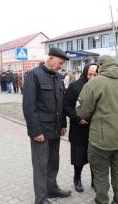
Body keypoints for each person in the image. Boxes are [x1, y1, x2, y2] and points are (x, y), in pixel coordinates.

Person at [76, 55, 118, 204]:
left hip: (101, 140)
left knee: (101, 174)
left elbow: (81, 111)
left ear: (100, 65)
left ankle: (102, 201)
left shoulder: (94, 83)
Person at [23, 47, 72, 204]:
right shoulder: (34, 75)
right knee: (41, 165)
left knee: (53, 161)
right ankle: (41, 198)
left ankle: (52, 188)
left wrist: (63, 123)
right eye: (60, 63)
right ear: (50, 59)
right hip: (41, 130)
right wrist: (35, 131)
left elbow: (62, 103)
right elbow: (29, 106)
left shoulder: (57, 78)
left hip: (55, 129)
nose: (61, 66)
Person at [64, 63, 97, 193]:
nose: (93, 77)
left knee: (95, 157)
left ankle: (95, 180)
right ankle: (77, 179)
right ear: (84, 73)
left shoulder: (100, 86)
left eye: (95, 74)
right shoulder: (74, 86)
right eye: (90, 74)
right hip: (79, 128)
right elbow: (66, 105)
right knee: (79, 157)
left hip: (94, 128)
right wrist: (77, 118)